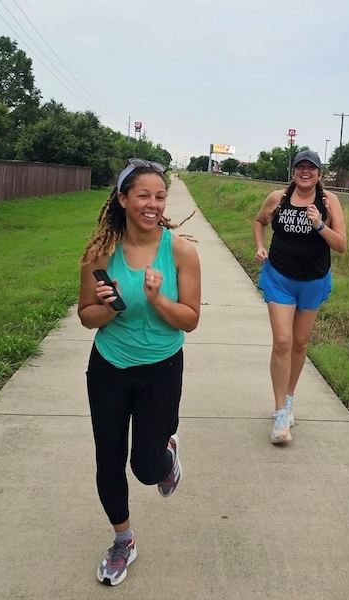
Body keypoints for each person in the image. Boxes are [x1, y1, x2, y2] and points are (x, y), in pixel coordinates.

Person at [77, 158, 201, 586]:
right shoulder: (100, 254)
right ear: (123, 198)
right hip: (109, 366)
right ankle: (122, 540)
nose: (152, 204)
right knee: (108, 460)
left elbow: (189, 319)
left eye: (160, 196)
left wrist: (157, 298)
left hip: (161, 368)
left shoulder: (180, 251)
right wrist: (109, 306)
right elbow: (86, 318)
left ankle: (166, 454)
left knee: (146, 468)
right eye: (143, 195)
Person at [252, 150, 347, 444]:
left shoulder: (329, 202)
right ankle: (280, 413)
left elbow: (341, 245)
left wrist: (320, 225)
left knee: (300, 342)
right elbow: (259, 221)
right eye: (300, 167)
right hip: (280, 277)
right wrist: (259, 245)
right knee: (283, 341)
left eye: (311, 168)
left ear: (320, 174)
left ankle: (290, 398)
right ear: (293, 172)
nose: (305, 172)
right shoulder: (277, 199)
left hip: (314, 280)